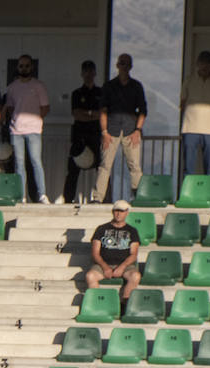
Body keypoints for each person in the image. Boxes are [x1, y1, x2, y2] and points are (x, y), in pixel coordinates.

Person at [93, 54, 147, 204]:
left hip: (131, 130)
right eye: (121, 63)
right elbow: (103, 110)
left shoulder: (136, 86)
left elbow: (143, 110)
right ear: (117, 65)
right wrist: (104, 132)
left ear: (130, 66)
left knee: (135, 166)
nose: (124, 66)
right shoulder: (109, 86)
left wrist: (138, 130)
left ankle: (138, 197)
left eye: (127, 64)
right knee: (105, 165)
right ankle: (98, 197)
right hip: (111, 129)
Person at [4, 54, 51, 203]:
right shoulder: (12, 87)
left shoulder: (39, 86)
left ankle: (42, 194)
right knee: (19, 164)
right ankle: (21, 195)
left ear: (32, 67)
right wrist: (18, 119)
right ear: (17, 68)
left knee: (36, 161)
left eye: (27, 65)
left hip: (34, 130)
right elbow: (10, 107)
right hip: (16, 130)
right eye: (21, 66)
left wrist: (35, 120)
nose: (24, 68)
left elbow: (45, 108)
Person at [84, 201, 142, 303]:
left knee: (135, 276)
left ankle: (124, 305)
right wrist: (105, 267)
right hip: (103, 264)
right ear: (112, 211)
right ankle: (96, 303)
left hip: (125, 266)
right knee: (90, 276)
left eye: (122, 211)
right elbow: (95, 253)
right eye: (116, 211)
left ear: (127, 212)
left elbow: (134, 254)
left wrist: (122, 267)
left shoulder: (132, 231)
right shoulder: (101, 229)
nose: (118, 214)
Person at [180, 51, 210, 176]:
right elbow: (182, 102)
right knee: (188, 166)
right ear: (197, 64)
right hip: (190, 127)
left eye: (207, 63)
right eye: (202, 63)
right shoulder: (189, 80)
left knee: (209, 166)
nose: (204, 66)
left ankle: (208, 193)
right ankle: (187, 194)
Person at [63, 60, 102, 204]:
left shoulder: (101, 93)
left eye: (91, 71)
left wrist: (90, 114)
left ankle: (103, 198)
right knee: (73, 169)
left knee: (101, 168)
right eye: (86, 71)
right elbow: (77, 114)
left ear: (95, 73)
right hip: (79, 135)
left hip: (96, 135)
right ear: (82, 74)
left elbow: (103, 114)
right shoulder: (77, 93)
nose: (88, 74)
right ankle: (68, 199)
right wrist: (92, 114)